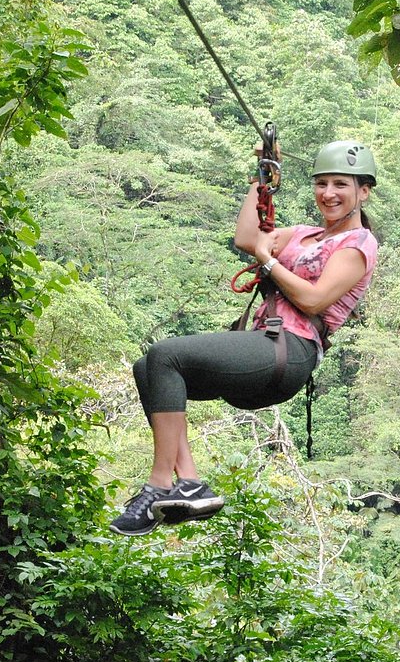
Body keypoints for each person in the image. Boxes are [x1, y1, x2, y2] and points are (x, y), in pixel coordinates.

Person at [110, 140, 379, 536]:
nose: (328, 194)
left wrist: (269, 261)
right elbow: (246, 237)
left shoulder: (358, 245)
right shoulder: (304, 234)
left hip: (291, 349)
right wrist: (262, 176)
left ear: (363, 191)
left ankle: (158, 485)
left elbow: (313, 298)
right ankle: (189, 483)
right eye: (321, 184)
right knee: (147, 366)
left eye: (341, 184)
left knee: (166, 355)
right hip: (264, 344)